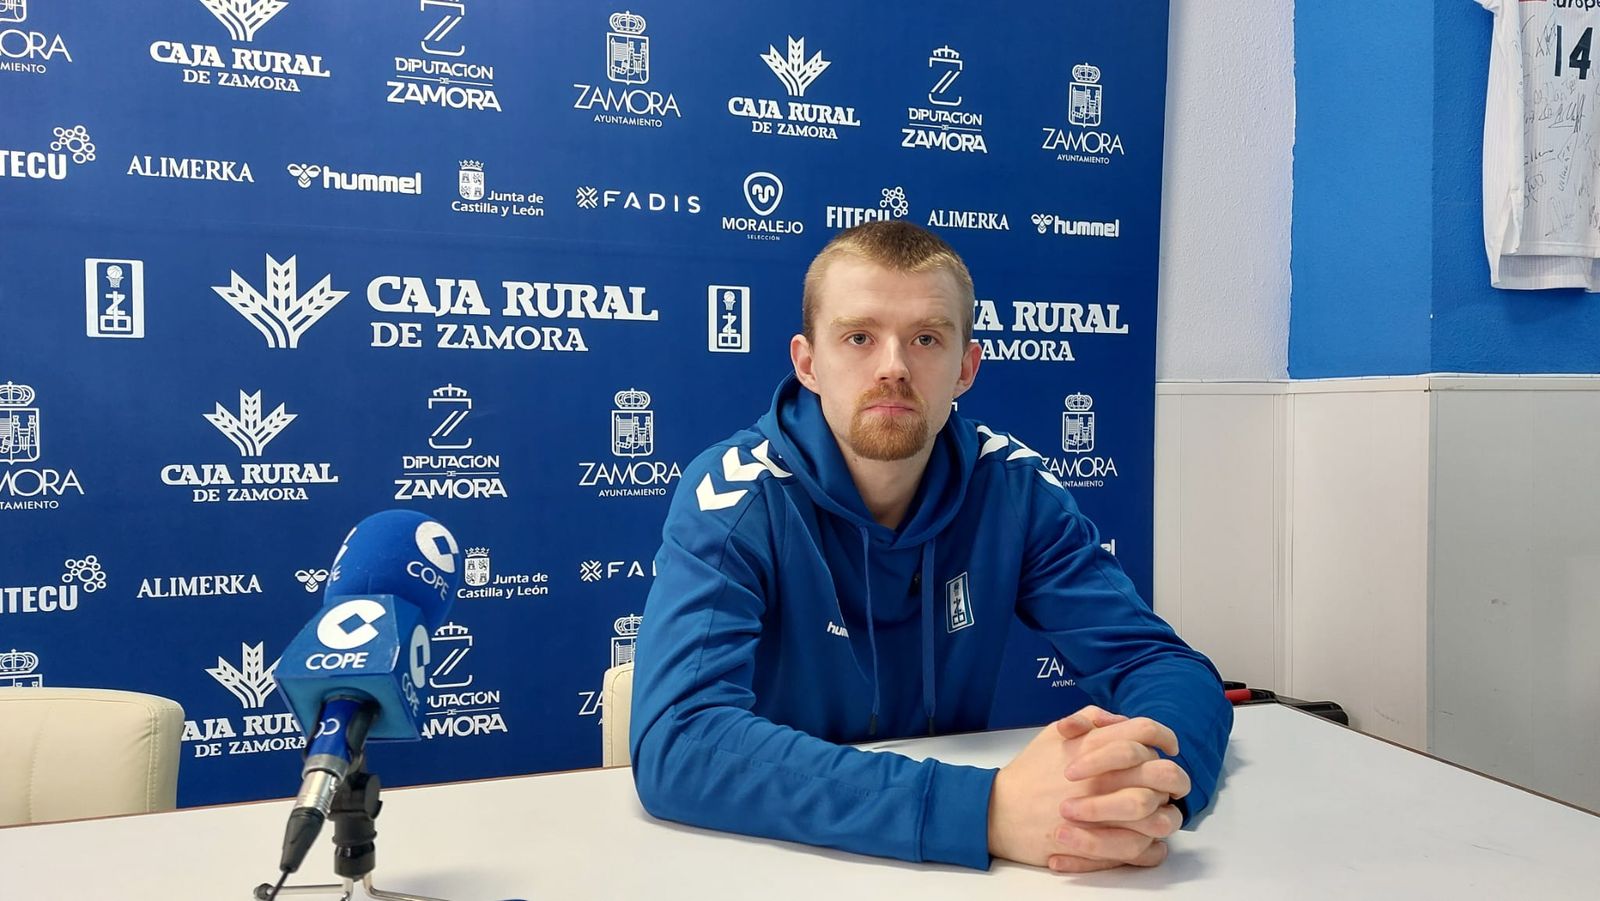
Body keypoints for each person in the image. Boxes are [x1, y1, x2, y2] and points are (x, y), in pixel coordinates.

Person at [629, 221, 1231, 873]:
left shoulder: (1013, 490)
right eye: (859, 337)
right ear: (807, 364)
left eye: (926, 338)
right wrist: (983, 809)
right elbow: (680, 739)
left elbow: (1163, 665)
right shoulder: (736, 495)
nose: (892, 367)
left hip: (956, 874)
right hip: (775, 857)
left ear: (966, 367)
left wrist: (1148, 786)